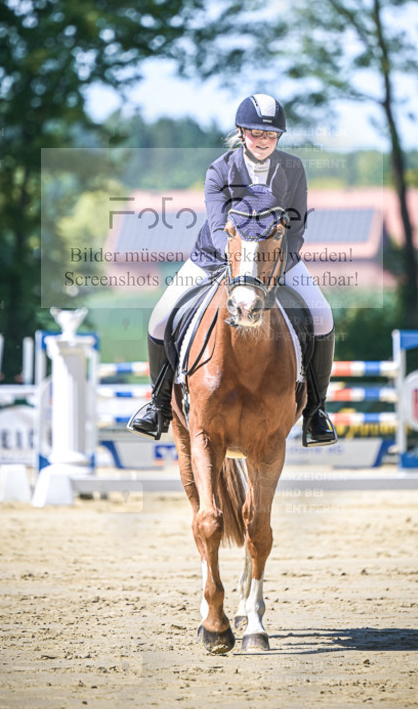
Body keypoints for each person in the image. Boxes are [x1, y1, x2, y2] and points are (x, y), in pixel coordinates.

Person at [128, 93, 338, 446]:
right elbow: (215, 225)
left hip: (275, 261)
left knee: (322, 316)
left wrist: (274, 267)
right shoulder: (220, 169)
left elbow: (297, 225)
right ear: (242, 132)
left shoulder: (292, 169)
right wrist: (239, 266)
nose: (263, 141)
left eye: (271, 136)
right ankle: (159, 405)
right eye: (256, 134)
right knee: (160, 318)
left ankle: (316, 412)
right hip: (215, 258)